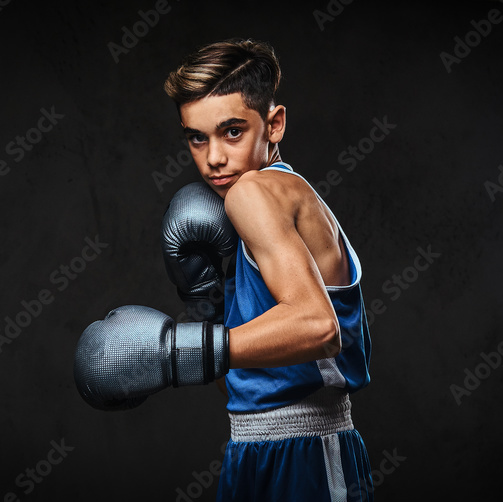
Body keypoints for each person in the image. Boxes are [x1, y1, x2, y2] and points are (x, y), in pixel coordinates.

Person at [163, 39, 374, 501]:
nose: (213, 157)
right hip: (257, 442)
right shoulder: (282, 197)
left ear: (274, 124)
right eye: (197, 137)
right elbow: (250, 385)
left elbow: (319, 327)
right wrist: (205, 303)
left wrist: (179, 354)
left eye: (232, 132)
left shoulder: (253, 194)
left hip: (304, 453)